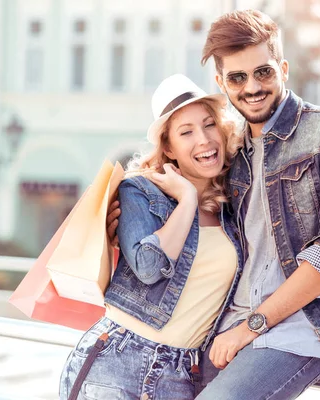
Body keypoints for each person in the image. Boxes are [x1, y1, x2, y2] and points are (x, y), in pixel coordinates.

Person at [106, 9, 320, 400]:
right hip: (222, 331)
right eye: (237, 77)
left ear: (283, 68)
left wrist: (251, 326)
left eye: (263, 72)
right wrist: (123, 226)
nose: (252, 86)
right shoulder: (233, 154)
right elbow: (189, 216)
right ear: (221, 82)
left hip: (303, 326)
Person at [60, 74, 244, 400]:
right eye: (186, 132)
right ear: (169, 147)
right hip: (117, 360)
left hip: (182, 373)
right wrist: (187, 199)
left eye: (209, 125)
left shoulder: (234, 212)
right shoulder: (139, 190)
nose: (203, 139)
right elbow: (149, 267)